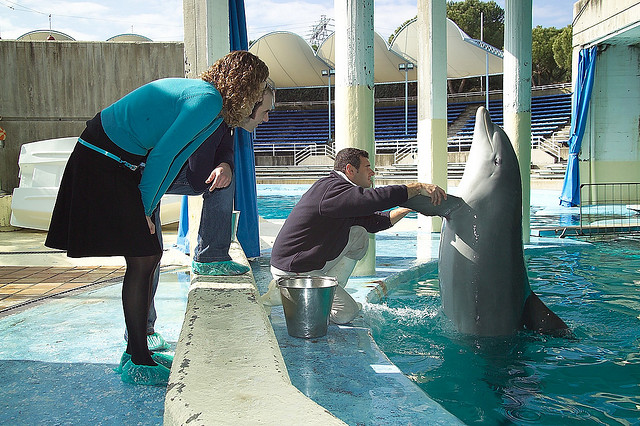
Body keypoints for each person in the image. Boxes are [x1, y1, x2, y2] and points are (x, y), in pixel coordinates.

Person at [45, 50, 269, 386]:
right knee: (143, 256)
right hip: (103, 157)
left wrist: (147, 208)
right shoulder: (206, 100)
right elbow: (163, 155)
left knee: (148, 255)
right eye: (260, 86)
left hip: (122, 162)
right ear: (247, 84)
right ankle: (138, 358)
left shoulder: (215, 109)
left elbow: (174, 161)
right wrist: (142, 206)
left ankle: (139, 352)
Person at [137, 86, 274, 352]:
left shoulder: (227, 120)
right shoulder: (206, 110)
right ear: (248, 104)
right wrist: (143, 206)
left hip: (171, 173)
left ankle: (211, 255)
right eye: (265, 111)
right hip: (145, 178)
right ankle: (142, 331)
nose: (267, 119)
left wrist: (224, 166)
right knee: (147, 256)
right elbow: (177, 161)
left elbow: (220, 154)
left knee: (226, 176)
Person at [260, 147, 447, 324]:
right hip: (294, 268)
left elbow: (375, 222)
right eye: (367, 167)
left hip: (308, 263)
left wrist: (407, 207)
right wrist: (417, 187)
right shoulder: (332, 190)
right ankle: (284, 294)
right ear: (350, 169)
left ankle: (327, 291)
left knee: (358, 234)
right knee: (346, 314)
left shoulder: (343, 196)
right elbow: (373, 199)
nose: (372, 172)